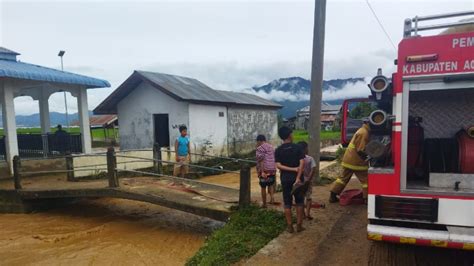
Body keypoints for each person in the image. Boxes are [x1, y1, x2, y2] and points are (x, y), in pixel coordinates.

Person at [329, 120, 370, 203]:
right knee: (366, 180)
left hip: (349, 160)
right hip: (356, 162)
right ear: (369, 123)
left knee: (342, 179)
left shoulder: (361, 130)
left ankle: (332, 196)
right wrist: (369, 158)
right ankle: (367, 199)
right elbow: (360, 150)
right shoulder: (364, 133)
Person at [275, 126, 305, 233]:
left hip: (285, 179)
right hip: (298, 179)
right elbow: (302, 163)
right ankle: (299, 225)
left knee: (287, 202)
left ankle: (289, 226)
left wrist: (290, 169)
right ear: (289, 135)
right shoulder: (298, 148)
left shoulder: (278, 150)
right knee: (299, 202)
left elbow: (278, 165)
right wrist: (297, 177)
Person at [256, 134, 276, 208]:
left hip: (264, 170)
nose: (257, 144)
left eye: (257, 142)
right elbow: (274, 158)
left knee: (263, 186)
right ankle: (272, 199)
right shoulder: (272, 147)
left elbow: (261, 160)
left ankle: (264, 204)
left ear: (259, 141)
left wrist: (262, 171)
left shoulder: (259, 148)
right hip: (272, 169)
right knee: (270, 184)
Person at [298, 141, 316, 220]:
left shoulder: (297, 159)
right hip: (308, 181)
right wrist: (309, 179)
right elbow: (313, 169)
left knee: (300, 198)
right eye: (307, 148)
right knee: (308, 197)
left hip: (300, 181)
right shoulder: (310, 158)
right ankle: (308, 213)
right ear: (305, 149)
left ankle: (303, 215)